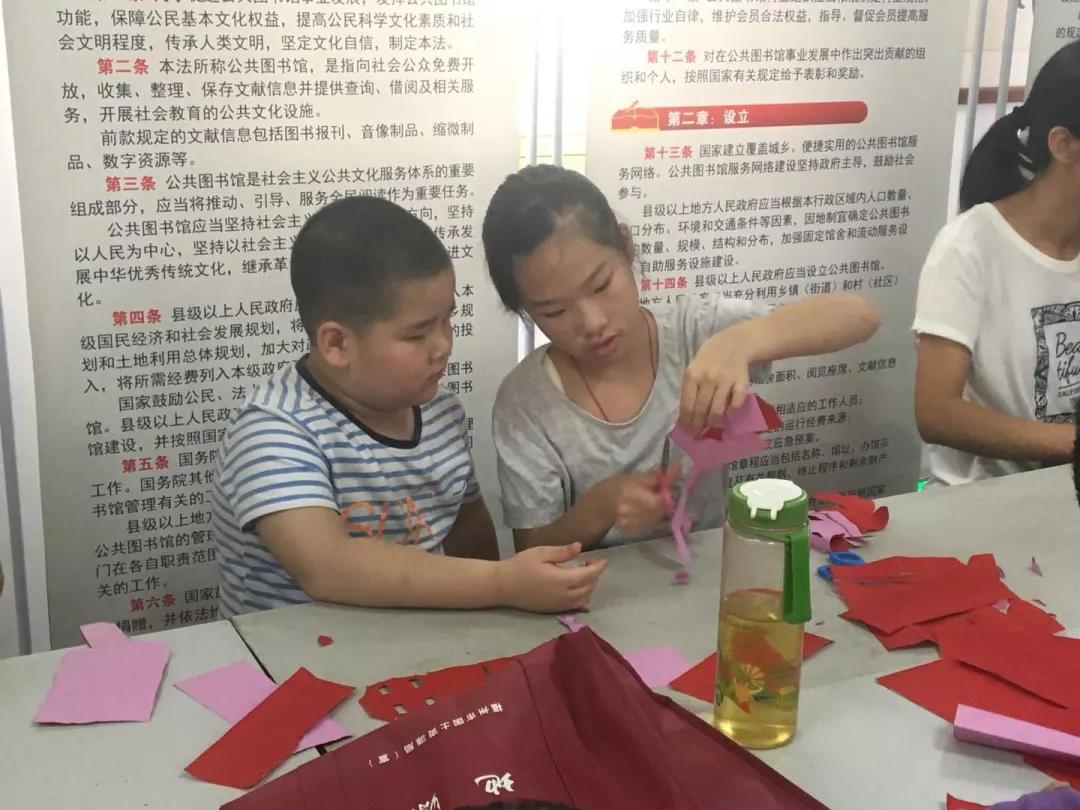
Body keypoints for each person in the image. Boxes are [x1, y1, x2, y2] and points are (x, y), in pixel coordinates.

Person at [212, 196, 606, 616]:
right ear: (337, 344)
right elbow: (327, 566)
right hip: (292, 651)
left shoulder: (440, 412)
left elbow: (468, 531)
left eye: (447, 320)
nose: (443, 346)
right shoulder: (273, 430)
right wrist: (502, 583)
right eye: (417, 334)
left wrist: (498, 605)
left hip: (421, 641)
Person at [482, 165, 881, 550]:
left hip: (709, 576)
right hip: (596, 590)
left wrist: (745, 340)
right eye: (554, 311)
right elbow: (530, 548)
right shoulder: (527, 402)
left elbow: (860, 316)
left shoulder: (692, 330)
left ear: (626, 248)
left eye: (601, 285)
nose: (593, 322)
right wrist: (600, 508)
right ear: (525, 310)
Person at [914, 41, 1080, 486]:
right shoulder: (969, 247)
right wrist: (1071, 443)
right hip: (988, 503)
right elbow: (936, 413)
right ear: (1063, 144)